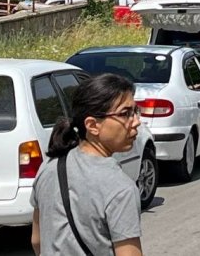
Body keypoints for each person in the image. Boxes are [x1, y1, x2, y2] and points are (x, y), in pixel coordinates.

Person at [31, 73, 143, 256]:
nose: (136, 122)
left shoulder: (49, 167)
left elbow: (37, 240)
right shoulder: (120, 188)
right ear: (92, 125)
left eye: (135, 112)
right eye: (125, 114)